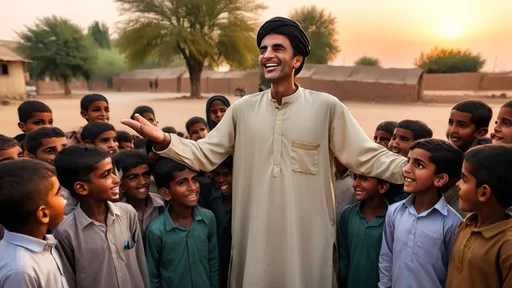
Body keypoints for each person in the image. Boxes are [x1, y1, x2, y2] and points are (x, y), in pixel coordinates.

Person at [122, 16, 406, 288]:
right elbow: (205, 154)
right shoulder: (243, 110)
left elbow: (366, 155)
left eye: (277, 48)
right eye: (263, 49)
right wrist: (164, 140)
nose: (267, 55)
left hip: (306, 240)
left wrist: (410, 168)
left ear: (297, 59)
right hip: (254, 238)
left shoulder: (326, 108)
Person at [52, 145, 150, 288]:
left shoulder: (127, 213)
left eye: (113, 172)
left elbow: (140, 262)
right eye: (106, 175)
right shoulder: (66, 233)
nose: (116, 180)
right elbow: (69, 279)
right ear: (82, 188)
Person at [378, 139, 463, 288]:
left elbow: (454, 273)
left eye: (418, 165)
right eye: (408, 162)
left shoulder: (452, 223)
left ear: (440, 179)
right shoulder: (394, 212)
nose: (406, 169)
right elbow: (387, 257)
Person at [446, 144, 512, 288]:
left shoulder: (507, 245)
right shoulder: (466, 225)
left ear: (483, 193)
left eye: (464, 179)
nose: (458, 184)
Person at [146, 158, 219, 288]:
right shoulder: (155, 231)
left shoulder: (208, 218)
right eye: (182, 183)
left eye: (194, 180)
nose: (192, 188)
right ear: (166, 193)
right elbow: (153, 276)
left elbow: (213, 263)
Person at [0, 159, 68, 288]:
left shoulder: (43, 244)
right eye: (58, 193)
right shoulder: (19, 270)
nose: (64, 196)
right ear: (43, 214)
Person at [338, 172, 389, 288]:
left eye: (364, 179)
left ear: (382, 187)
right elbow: (344, 262)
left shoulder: (392, 219)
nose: (355, 184)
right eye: (355, 177)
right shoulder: (348, 215)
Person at [113, 150, 165, 233]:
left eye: (146, 175)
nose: (143, 182)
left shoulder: (162, 204)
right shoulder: (115, 213)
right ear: (120, 184)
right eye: (133, 177)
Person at [210, 156, 234, 288]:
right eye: (217, 174)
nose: (220, 180)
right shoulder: (214, 201)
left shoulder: (248, 203)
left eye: (226, 174)